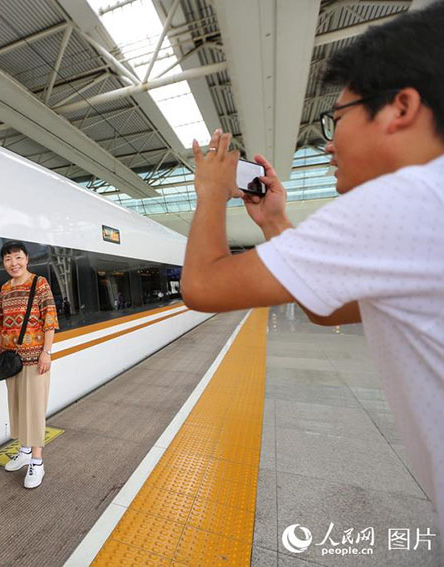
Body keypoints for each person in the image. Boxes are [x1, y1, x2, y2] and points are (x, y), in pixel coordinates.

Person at [180, 3, 444, 535]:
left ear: (401, 107)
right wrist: (276, 222)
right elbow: (330, 310)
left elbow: (202, 285)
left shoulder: (404, 200)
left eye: (337, 119)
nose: (328, 142)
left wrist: (210, 194)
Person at [0, 241, 59, 489]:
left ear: (27, 259)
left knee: (33, 409)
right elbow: (0, 324)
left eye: (18, 258)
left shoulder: (39, 283)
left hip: (36, 359)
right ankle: (23, 451)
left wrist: (47, 353)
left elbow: (50, 321)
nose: (14, 263)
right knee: (18, 407)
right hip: (12, 360)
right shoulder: (4, 289)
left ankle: (37, 461)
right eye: (8, 259)